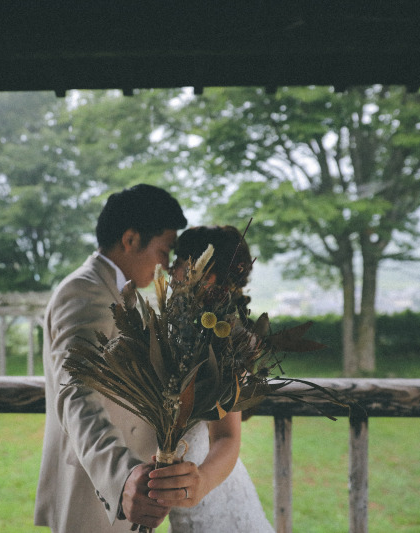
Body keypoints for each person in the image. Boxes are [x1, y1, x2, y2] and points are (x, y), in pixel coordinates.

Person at [35, 183, 199, 532]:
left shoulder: (126, 295)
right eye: (164, 249)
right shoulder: (82, 292)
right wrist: (122, 476)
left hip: (134, 491)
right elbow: (75, 393)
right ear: (130, 239)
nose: (167, 264)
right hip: (94, 491)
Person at [156, 225, 275, 533]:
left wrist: (202, 482)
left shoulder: (225, 340)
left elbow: (227, 437)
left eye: (181, 258)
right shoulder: (176, 328)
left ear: (205, 272)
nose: (170, 266)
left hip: (210, 496)